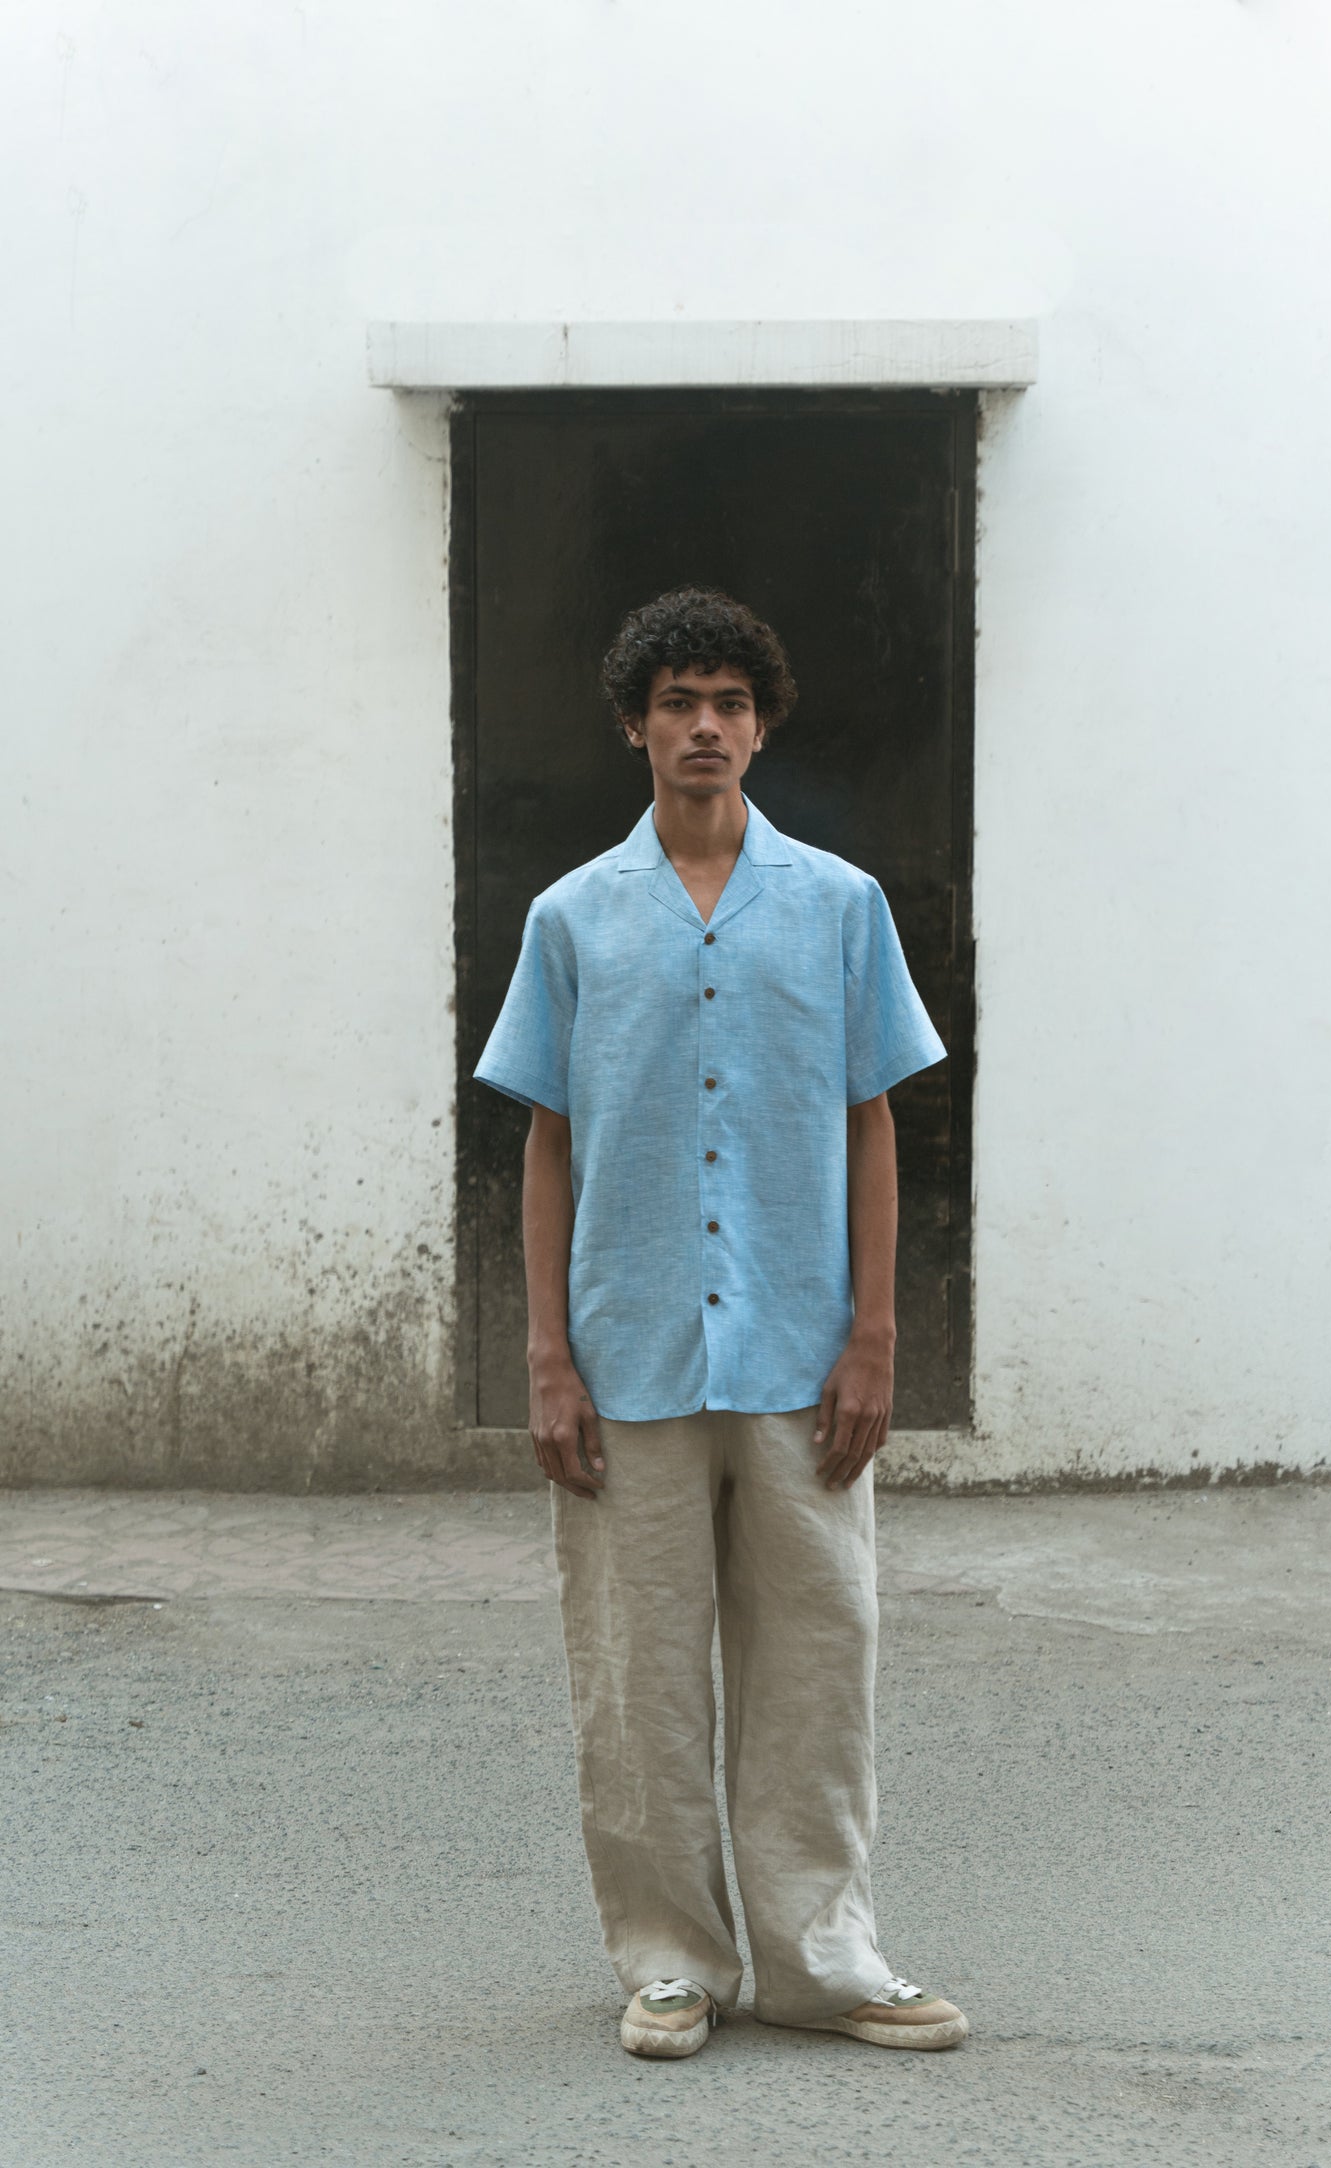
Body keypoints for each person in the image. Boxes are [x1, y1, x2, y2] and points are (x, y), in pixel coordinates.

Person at [474, 587, 967, 2059]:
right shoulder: (574, 917)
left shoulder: (836, 904)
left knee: (817, 1653)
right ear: (634, 722)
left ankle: (821, 1955)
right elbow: (548, 1139)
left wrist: (875, 1334)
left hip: (798, 1350)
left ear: (760, 726)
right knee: (638, 1673)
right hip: (626, 1354)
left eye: (731, 703)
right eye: (679, 700)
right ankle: (670, 1960)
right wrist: (546, 1357)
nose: (705, 726)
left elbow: (870, 1119)